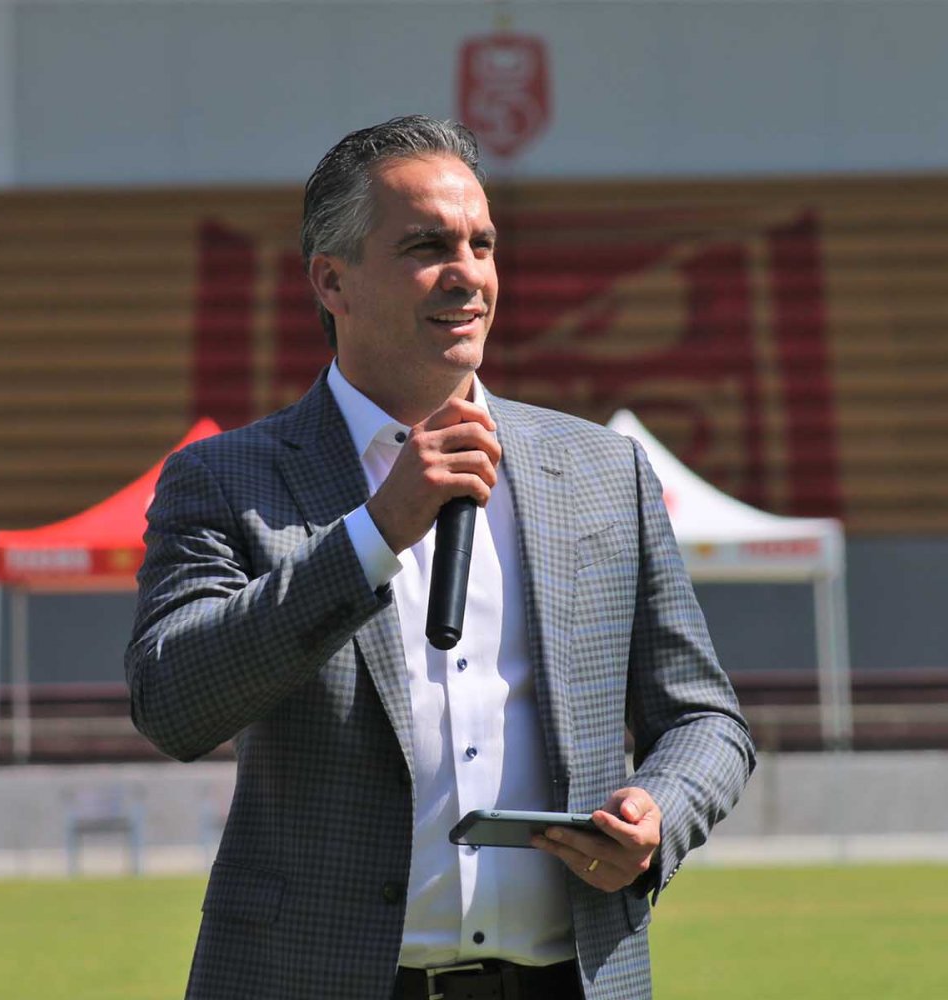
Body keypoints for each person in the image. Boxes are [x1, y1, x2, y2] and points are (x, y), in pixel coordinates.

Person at [126, 115, 754, 1000]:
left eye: (482, 244)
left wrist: (659, 816)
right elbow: (173, 704)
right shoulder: (227, 480)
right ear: (332, 281)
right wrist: (373, 533)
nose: (467, 273)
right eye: (426, 246)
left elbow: (706, 720)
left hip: (566, 981)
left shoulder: (603, 471)